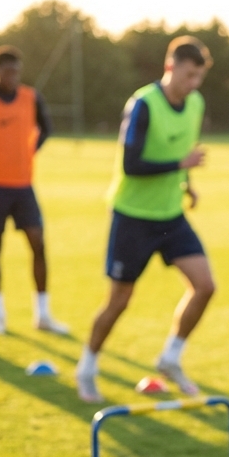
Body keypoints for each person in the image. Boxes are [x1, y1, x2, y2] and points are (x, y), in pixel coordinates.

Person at [76, 37, 213, 403]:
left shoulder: (195, 103)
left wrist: (188, 184)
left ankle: (170, 358)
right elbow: (130, 165)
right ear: (170, 67)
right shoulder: (143, 105)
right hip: (133, 216)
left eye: (199, 77)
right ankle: (87, 367)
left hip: (170, 215)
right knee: (119, 300)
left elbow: (180, 152)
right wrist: (180, 167)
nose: (193, 84)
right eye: (188, 75)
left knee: (205, 285)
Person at [0, 44, 66, 336]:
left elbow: (46, 129)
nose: (13, 77)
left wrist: (28, 151)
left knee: (38, 243)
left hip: (24, 186)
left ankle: (43, 314)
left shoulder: (31, 98)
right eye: (8, 71)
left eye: (17, 72)